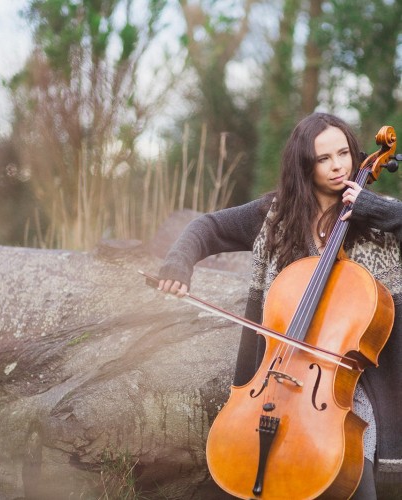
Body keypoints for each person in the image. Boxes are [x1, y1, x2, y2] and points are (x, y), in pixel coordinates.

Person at [157, 113, 402, 499]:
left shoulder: (379, 214)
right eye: (324, 158)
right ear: (304, 165)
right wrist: (178, 262)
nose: (339, 165)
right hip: (276, 380)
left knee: (354, 481)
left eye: (344, 153)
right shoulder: (275, 215)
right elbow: (206, 228)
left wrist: (376, 209)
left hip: (349, 391)